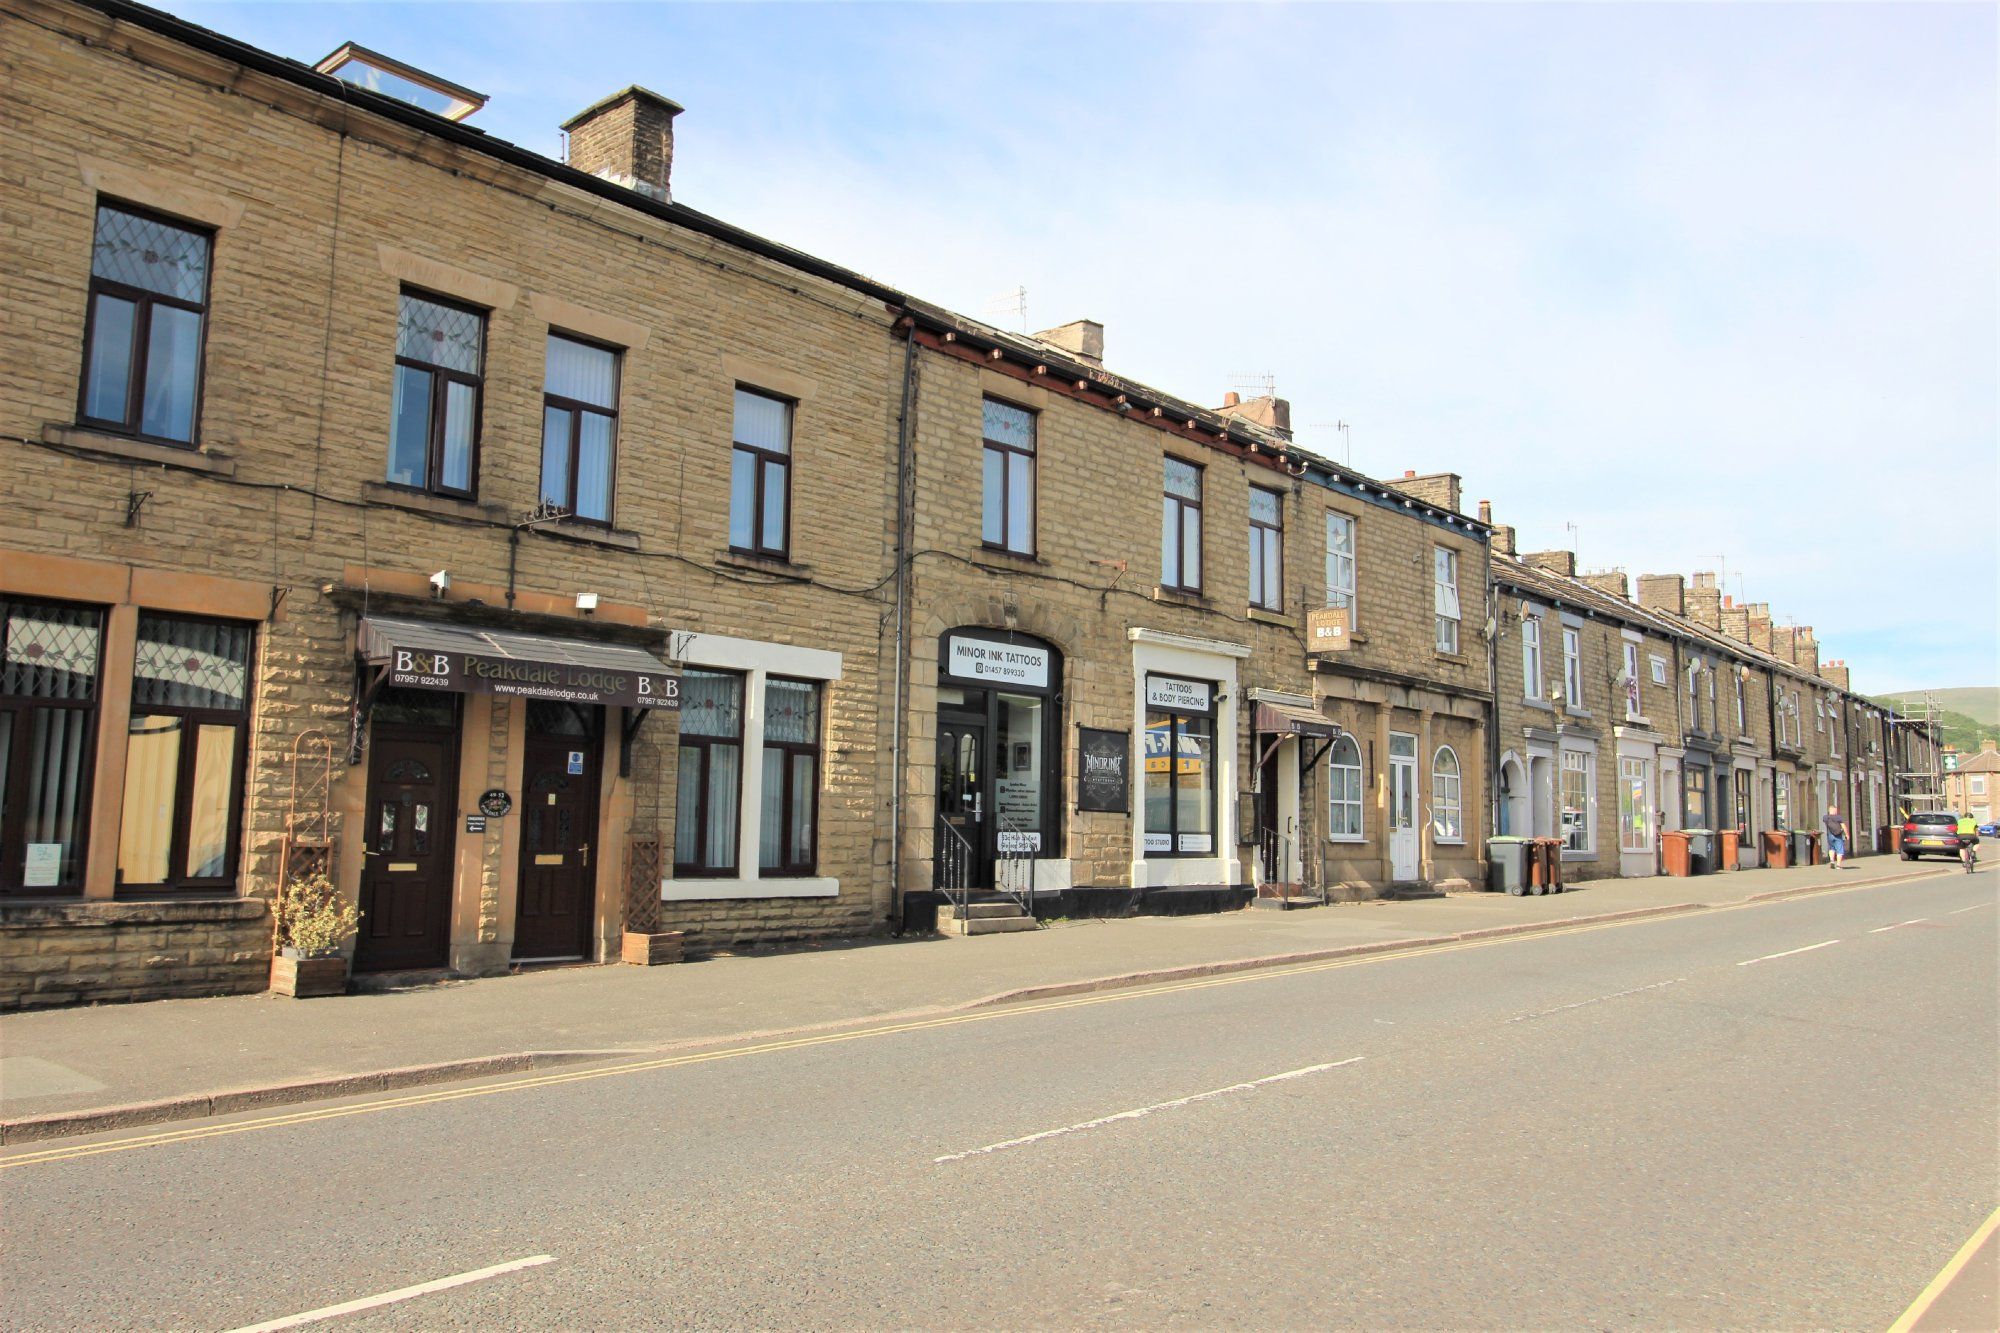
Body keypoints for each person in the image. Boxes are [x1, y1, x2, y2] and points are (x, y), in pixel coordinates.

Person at [1823, 804, 1848, 870]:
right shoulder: (1839, 817)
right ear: (1834, 810)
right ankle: (1838, 865)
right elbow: (1844, 827)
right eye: (1836, 810)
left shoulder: (1825, 817)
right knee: (1840, 850)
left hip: (1830, 835)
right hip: (1838, 835)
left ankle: (1832, 861)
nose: (1836, 812)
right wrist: (1847, 834)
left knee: (1832, 848)